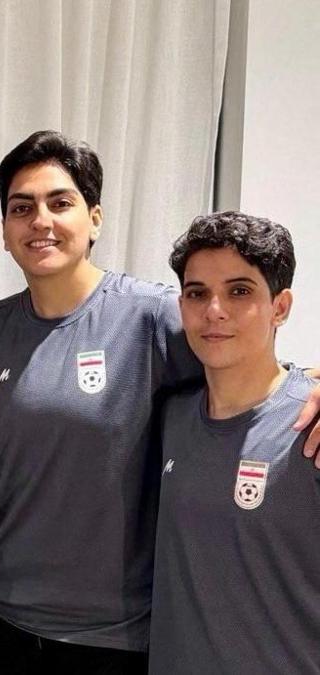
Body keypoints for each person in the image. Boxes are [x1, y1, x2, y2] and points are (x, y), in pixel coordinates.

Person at [0, 132, 320, 674]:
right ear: (4, 230)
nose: (41, 221)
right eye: (21, 208)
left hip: (114, 636)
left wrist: (309, 380)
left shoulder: (154, 316)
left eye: (60, 202)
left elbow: (244, 364)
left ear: (95, 219)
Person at [151, 212, 318, 673]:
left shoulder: (311, 425)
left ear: (280, 307)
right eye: (197, 293)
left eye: (239, 291)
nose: (214, 310)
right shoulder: (169, 417)